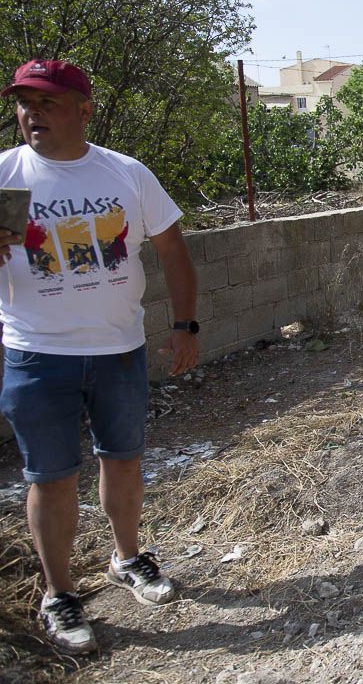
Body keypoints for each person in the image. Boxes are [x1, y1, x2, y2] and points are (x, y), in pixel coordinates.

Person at [0, 60, 200, 653]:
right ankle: (59, 594)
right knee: (52, 477)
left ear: (83, 109)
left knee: (124, 461)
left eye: (48, 102)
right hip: (38, 355)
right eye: (23, 103)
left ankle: (128, 558)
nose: (32, 114)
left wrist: (185, 326)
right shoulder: (10, 180)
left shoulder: (124, 174)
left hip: (118, 350)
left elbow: (172, 251)